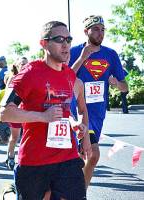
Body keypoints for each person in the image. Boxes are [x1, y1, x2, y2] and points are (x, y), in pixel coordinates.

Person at [0, 21, 91, 200]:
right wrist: (42, 116)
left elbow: (64, 111)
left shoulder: (69, 75)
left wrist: (75, 124)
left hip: (67, 157)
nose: (65, 44)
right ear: (44, 43)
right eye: (59, 39)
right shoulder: (29, 73)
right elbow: (5, 112)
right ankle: (8, 195)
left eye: (68, 39)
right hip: (35, 160)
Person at [69, 15, 128, 189]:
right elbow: (64, 78)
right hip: (77, 111)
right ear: (86, 31)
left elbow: (125, 87)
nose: (100, 33)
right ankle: (79, 193)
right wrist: (81, 58)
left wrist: (117, 84)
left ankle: (79, 192)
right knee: (91, 155)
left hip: (97, 113)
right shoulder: (73, 52)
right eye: (95, 29)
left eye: (102, 30)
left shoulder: (110, 54)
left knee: (88, 156)